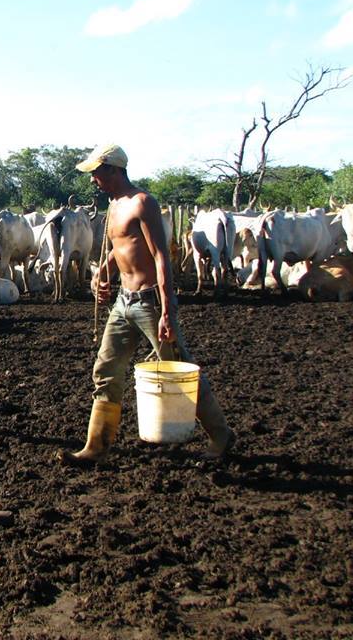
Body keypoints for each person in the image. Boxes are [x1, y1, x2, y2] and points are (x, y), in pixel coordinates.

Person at [58, 143, 236, 466]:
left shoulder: (143, 203)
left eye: (97, 173)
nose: (93, 179)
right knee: (106, 370)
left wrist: (167, 310)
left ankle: (220, 435)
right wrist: (104, 275)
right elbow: (119, 248)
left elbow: (160, 257)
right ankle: (96, 446)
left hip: (150, 303)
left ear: (114, 170)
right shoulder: (113, 206)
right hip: (123, 303)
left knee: (178, 367)